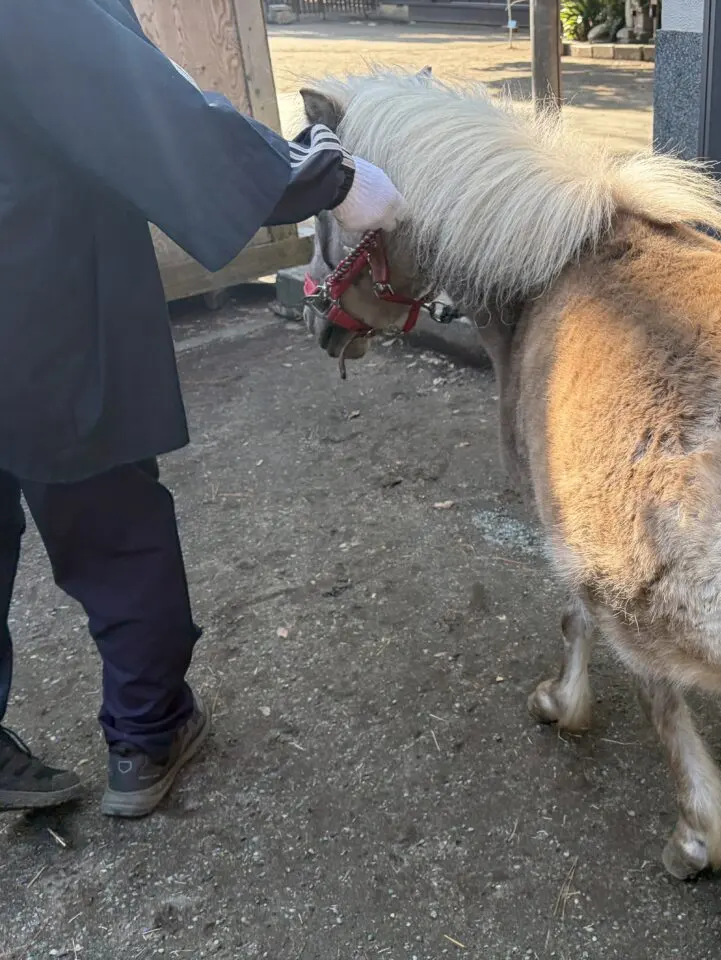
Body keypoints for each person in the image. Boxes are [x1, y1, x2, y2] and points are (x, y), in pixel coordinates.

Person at [0, 0, 407, 817]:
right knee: (111, 524)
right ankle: (148, 734)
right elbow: (121, 97)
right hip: (38, 294)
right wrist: (322, 176)